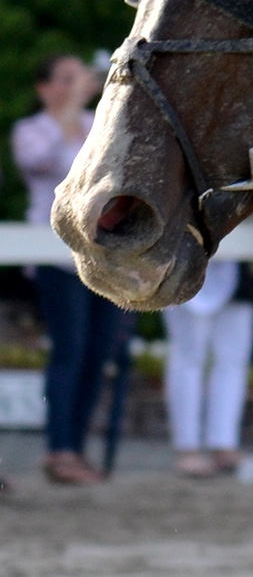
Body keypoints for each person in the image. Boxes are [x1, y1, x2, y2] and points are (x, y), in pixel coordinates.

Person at [12, 54, 118, 486]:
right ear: (45, 88)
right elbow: (47, 164)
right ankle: (60, 449)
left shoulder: (98, 122)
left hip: (103, 254)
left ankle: (74, 447)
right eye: (65, 79)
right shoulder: (31, 131)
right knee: (69, 352)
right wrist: (71, 110)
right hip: (56, 258)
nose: (77, 84)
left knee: (97, 354)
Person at [161, 259, 253, 477]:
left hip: (241, 263)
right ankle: (187, 448)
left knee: (233, 358)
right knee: (188, 355)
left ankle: (225, 442)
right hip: (182, 256)